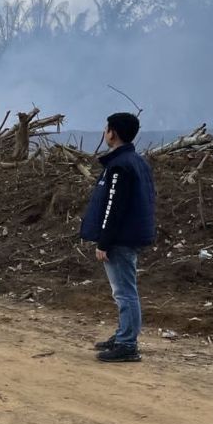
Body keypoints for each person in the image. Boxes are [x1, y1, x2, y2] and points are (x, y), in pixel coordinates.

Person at [79, 112, 157, 363]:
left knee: (124, 292)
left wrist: (104, 241)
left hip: (121, 239)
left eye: (106, 128)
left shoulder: (119, 166)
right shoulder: (137, 162)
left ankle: (127, 345)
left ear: (113, 133)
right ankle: (123, 334)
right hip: (131, 235)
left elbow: (114, 207)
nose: (104, 132)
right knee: (124, 290)